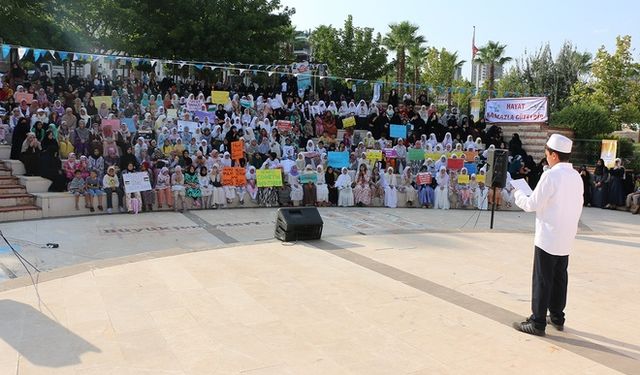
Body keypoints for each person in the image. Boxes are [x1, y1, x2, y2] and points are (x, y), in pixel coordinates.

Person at [512, 134, 583, 336]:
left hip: (548, 236)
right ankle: (557, 317)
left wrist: (518, 192)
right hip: (566, 236)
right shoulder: (576, 176)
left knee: (542, 279)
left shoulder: (550, 176)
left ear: (553, 155)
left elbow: (531, 204)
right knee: (560, 277)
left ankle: (538, 322)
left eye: (546, 154)